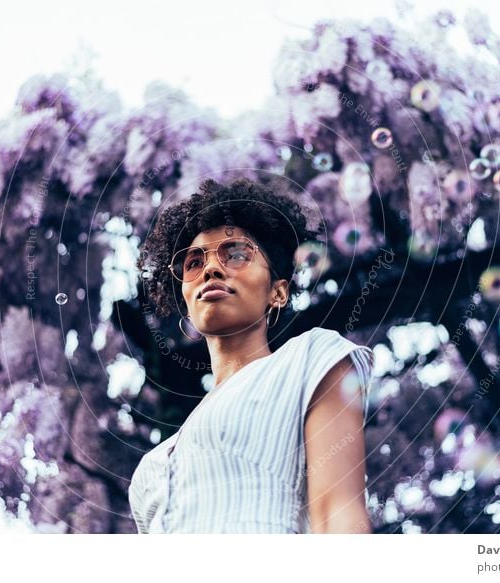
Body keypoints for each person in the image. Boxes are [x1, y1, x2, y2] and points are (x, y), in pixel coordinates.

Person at [129, 177, 375, 533]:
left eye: (237, 254)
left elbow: (336, 514)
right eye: (193, 263)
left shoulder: (311, 358)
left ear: (278, 292)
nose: (211, 269)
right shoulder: (155, 463)